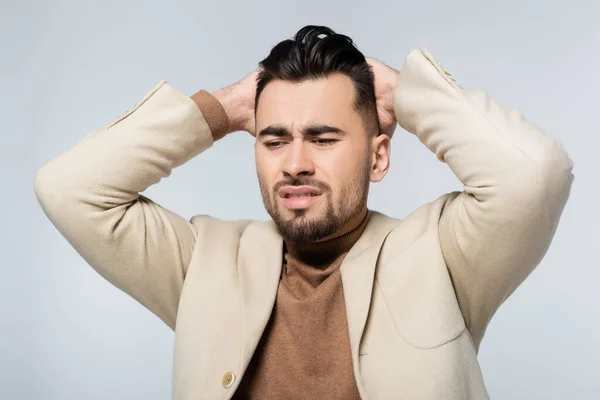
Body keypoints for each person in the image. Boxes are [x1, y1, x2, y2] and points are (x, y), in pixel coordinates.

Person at [34, 25, 574, 400]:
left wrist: (401, 92)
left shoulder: (442, 255)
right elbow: (68, 188)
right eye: (274, 140)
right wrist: (223, 108)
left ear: (378, 155)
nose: (294, 163)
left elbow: (533, 177)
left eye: (322, 137)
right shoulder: (204, 263)